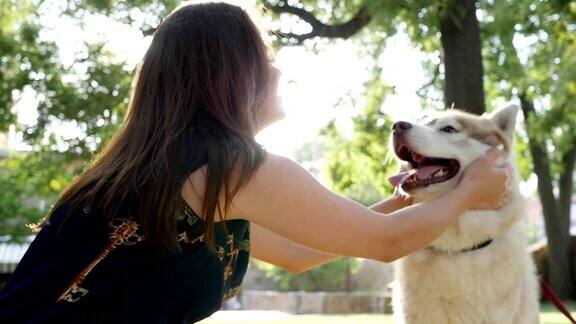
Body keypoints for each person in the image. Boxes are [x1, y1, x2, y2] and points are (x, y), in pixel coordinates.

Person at [0, 2, 510, 323]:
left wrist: (403, 197)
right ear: (228, 73)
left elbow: (299, 253)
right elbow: (384, 244)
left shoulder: (173, 170)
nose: (277, 65)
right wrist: (471, 191)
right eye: (262, 53)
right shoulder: (236, 167)